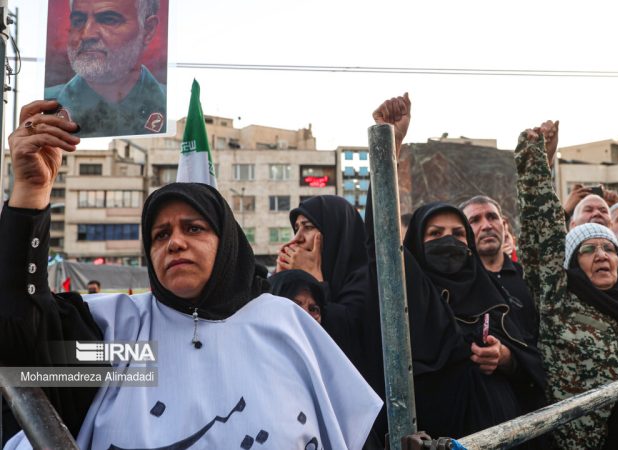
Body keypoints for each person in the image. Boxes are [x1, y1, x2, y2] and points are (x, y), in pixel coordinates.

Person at [1, 100, 381, 449]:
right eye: (160, 234)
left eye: (194, 228)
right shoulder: (123, 337)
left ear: (227, 241)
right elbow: (23, 342)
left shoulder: (286, 327)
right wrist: (31, 193)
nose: (175, 243)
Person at [369, 94, 548, 447]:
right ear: (418, 244)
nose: (448, 241)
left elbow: (534, 365)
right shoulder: (414, 294)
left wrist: (506, 358)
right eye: (435, 235)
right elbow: (381, 237)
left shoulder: (497, 297)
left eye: (456, 234)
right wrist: (391, 143)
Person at [515, 124, 618, 449]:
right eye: (588, 249)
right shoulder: (560, 303)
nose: (601, 255)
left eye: (609, 248)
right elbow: (542, 228)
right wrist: (535, 156)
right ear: (571, 264)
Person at [45, 0, 166, 137]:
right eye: (78, 21)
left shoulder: (172, 107)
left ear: (148, 30)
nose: (86, 34)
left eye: (108, 20)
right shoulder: (44, 108)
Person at [275, 195, 370, 369]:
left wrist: (317, 283)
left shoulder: (368, 280)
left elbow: (345, 343)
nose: (297, 239)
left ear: (336, 231)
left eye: (308, 227)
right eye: (296, 228)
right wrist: (279, 282)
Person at [460, 195, 539, 342]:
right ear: (463, 231)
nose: (487, 226)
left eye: (492, 217)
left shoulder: (529, 277)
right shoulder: (460, 284)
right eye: (475, 220)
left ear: (504, 225)